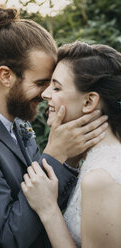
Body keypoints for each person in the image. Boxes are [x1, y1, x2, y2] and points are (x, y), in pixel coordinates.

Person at [0, 6, 107, 248]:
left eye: (52, 84)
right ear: (6, 76)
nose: (47, 93)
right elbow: (8, 238)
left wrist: (71, 159)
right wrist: (56, 153)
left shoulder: (17, 120)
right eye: (40, 83)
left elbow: (47, 199)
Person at [21, 41, 121, 248]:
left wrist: (48, 208)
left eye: (56, 87)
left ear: (88, 102)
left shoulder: (101, 179)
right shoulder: (95, 159)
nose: (45, 94)